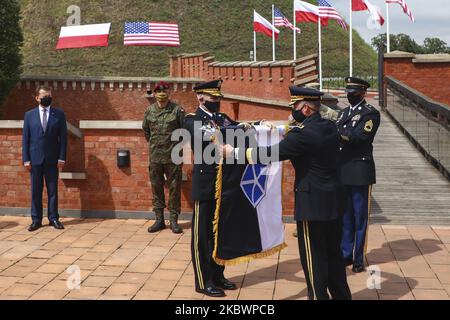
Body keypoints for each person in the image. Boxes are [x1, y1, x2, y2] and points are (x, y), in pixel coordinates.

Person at [223, 86, 352, 300]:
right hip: (334, 201)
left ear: (305, 109)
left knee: (314, 260)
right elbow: (293, 131)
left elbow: (270, 153)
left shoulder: (303, 135)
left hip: (313, 206)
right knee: (334, 255)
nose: (292, 111)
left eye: (295, 107)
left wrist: (234, 152)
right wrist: (268, 127)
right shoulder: (328, 126)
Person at [184, 79, 272, 297]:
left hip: (225, 185)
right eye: (213, 99)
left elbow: (239, 128)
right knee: (202, 235)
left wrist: (259, 125)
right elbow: (208, 136)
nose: (217, 102)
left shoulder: (221, 118)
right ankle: (203, 281)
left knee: (219, 233)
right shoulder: (192, 119)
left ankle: (218, 274)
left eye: (218, 99)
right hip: (206, 186)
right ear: (200, 97)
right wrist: (227, 137)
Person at [337, 77, 381, 273]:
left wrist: (339, 133)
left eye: (353, 91)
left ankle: (358, 257)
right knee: (346, 216)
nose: (350, 94)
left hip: (360, 171)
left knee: (360, 217)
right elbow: (344, 132)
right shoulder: (343, 113)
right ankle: (346, 253)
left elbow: (360, 138)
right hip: (343, 169)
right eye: (348, 91)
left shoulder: (371, 114)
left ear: (363, 93)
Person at [22, 86, 67, 232]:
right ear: (37, 98)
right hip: (34, 160)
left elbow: (64, 138)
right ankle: (36, 220)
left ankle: (53, 218)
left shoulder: (59, 114)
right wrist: (26, 159)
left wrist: (62, 157)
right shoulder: (29, 115)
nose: (47, 98)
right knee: (36, 191)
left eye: (49, 95)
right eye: (43, 96)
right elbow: (25, 139)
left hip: (52, 159)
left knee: (52, 190)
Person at [142, 81, 185, 234]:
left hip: (173, 157)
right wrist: (157, 144)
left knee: (174, 188)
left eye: (164, 91)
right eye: (158, 91)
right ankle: (159, 220)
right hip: (155, 157)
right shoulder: (149, 111)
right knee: (156, 187)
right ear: (154, 93)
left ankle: (173, 220)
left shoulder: (177, 110)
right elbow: (147, 132)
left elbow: (183, 132)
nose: (161, 94)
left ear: (169, 92)